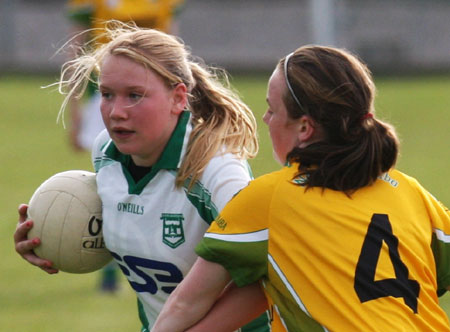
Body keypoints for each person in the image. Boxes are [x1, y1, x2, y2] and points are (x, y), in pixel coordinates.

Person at [151, 45, 450, 331]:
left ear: (305, 128)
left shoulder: (268, 199)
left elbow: (185, 305)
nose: (266, 119)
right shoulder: (410, 191)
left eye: (272, 109)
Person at [14, 21, 271, 332]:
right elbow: (145, 229)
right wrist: (54, 236)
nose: (115, 111)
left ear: (178, 97)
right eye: (107, 94)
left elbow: (270, 273)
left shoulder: (215, 171)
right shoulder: (106, 153)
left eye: (134, 95)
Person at [65, 0, 185, 293]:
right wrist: (75, 109)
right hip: (104, 100)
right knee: (109, 185)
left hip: (155, 99)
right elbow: (76, 48)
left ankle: (161, 258)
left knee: (167, 183)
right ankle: (109, 269)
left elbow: (176, 46)